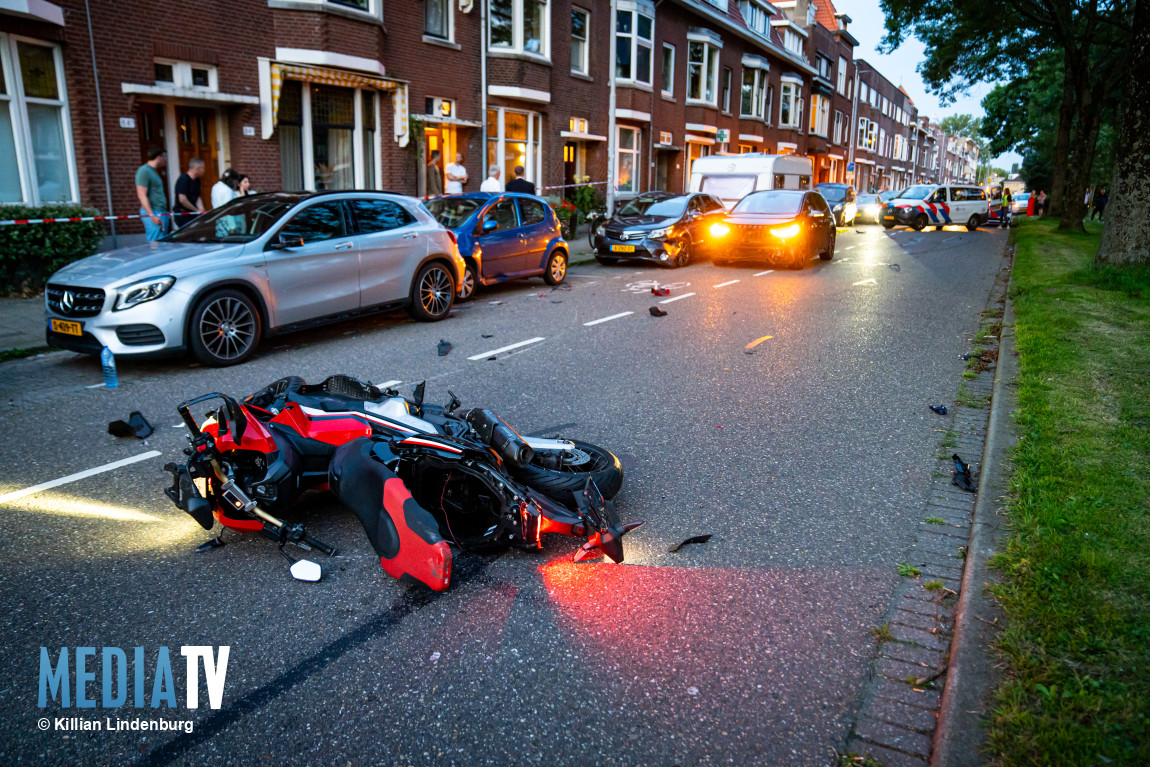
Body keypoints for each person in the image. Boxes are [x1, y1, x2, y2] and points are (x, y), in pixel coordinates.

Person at [135, 146, 169, 242]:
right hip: (154, 212)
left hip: (159, 212)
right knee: (155, 243)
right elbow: (141, 194)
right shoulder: (144, 171)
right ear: (159, 157)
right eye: (165, 157)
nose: (166, 160)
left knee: (161, 242)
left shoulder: (153, 171)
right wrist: (152, 215)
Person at [174, 158, 206, 226]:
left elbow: (198, 197)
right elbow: (182, 199)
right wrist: (196, 210)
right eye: (203, 168)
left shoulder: (197, 180)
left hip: (193, 214)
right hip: (183, 215)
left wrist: (201, 209)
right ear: (197, 169)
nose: (204, 171)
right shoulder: (183, 179)